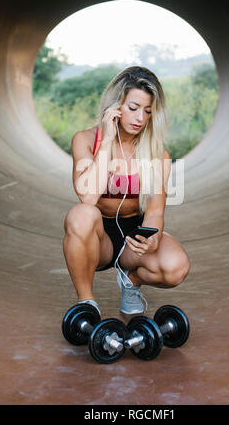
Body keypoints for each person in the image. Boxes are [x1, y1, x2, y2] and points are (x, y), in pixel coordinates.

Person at [63, 66, 190, 316]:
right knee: (81, 214)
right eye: (133, 108)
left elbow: (155, 211)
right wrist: (107, 141)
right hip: (99, 238)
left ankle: (131, 281)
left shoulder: (157, 153)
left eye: (147, 111)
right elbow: (88, 197)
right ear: (115, 106)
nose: (140, 118)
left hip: (134, 235)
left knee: (175, 267)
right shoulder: (86, 140)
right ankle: (86, 302)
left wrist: (152, 239)